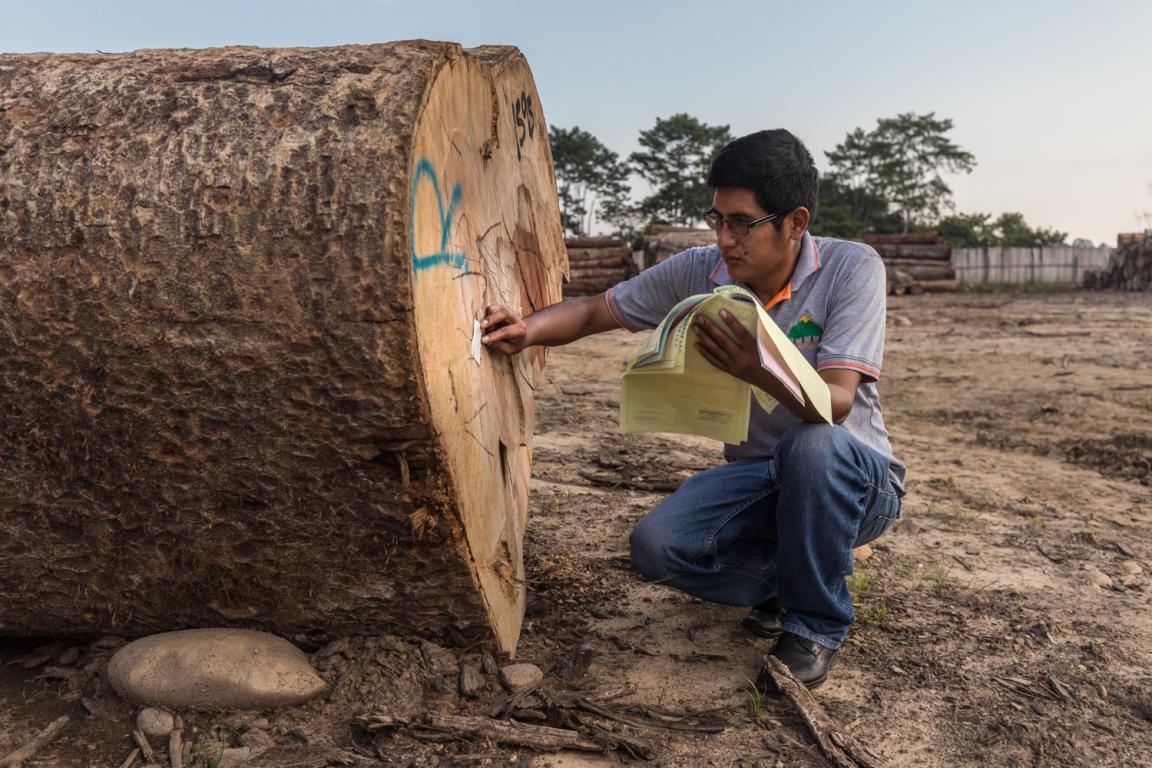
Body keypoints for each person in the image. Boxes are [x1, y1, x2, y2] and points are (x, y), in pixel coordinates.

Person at [480, 129, 905, 692]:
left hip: (856, 480)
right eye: (717, 220)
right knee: (657, 547)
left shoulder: (852, 268)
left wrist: (758, 371)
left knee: (813, 443)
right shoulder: (702, 269)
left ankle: (815, 626)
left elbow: (837, 402)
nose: (726, 240)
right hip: (762, 476)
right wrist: (527, 328)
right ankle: (792, 579)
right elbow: (592, 311)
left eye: (743, 224)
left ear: (795, 223)